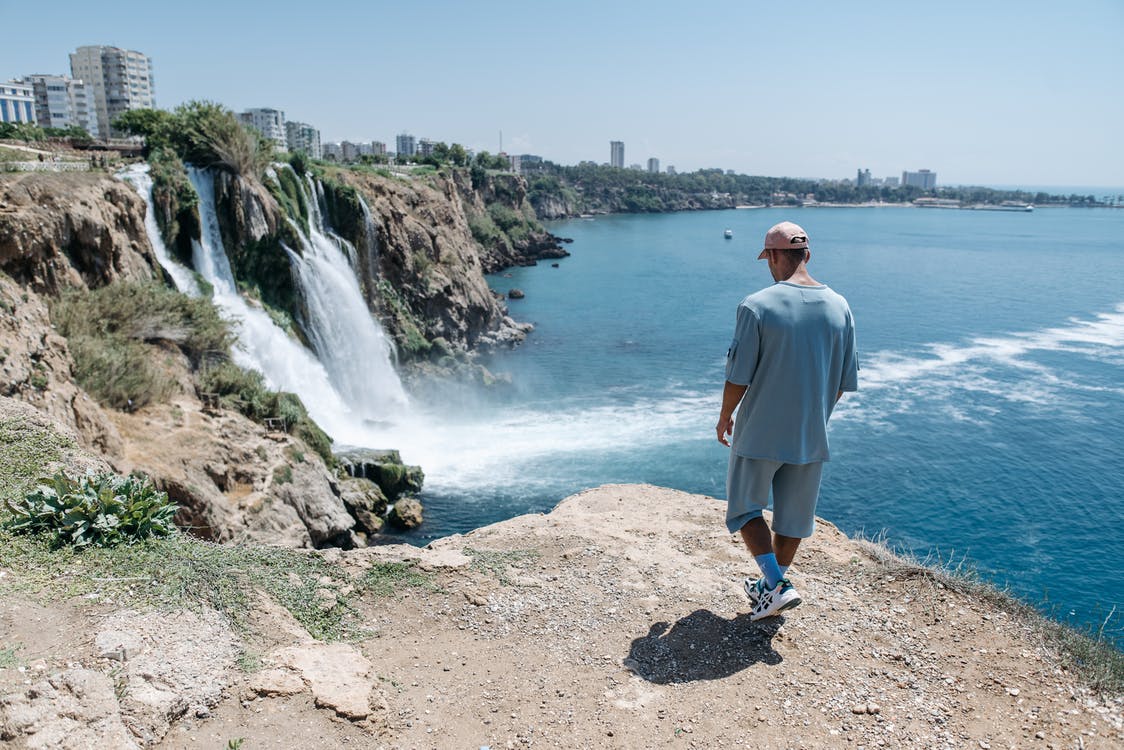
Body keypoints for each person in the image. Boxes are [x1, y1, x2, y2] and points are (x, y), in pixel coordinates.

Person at [716, 221, 858, 621]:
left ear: (774, 256)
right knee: (793, 518)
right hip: (811, 430)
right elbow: (844, 382)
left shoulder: (756, 305)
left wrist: (726, 416)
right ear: (806, 255)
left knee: (745, 508)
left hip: (760, 427)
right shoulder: (840, 305)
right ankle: (770, 587)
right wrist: (814, 413)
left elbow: (738, 375)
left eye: (768, 258)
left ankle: (776, 585)